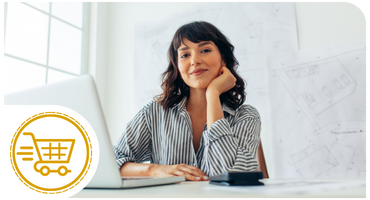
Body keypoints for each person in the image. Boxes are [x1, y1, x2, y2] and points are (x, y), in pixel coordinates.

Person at [114, 21, 261, 181]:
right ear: (177, 66)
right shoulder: (154, 112)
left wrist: (213, 94)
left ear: (223, 59)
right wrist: (154, 170)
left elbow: (230, 175)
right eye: (185, 55)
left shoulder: (246, 116)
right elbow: (111, 163)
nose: (194, 61)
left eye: (205, 50)